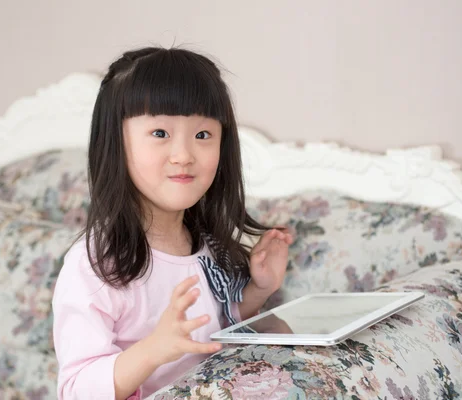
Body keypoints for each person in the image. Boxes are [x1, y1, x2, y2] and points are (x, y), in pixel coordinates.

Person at [52, 46, 293, 399]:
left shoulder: (204, 241)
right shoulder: (96, 264)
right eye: (160, 134)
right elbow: (76, 389)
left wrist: (259, 289)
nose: (184, 156)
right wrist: (154, 349)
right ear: (115, 142)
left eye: (202, 135)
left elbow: (215, 325)